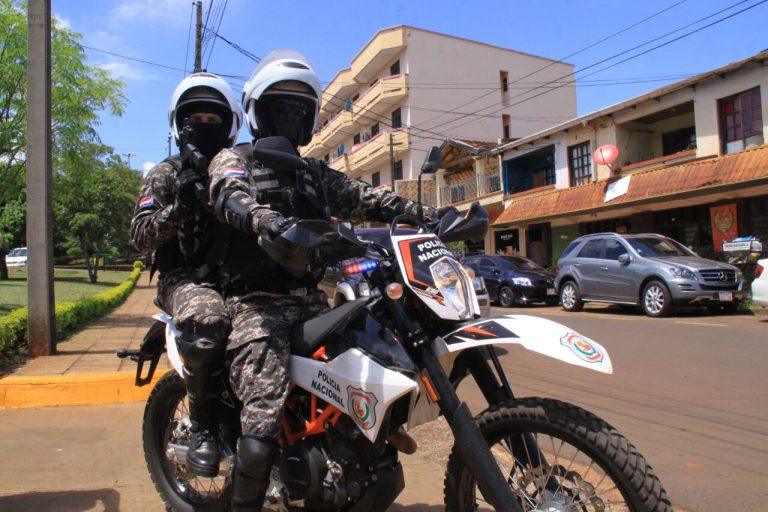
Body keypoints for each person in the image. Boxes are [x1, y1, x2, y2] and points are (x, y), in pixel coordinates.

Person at [204, 49, 442, 511]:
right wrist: (263, 220)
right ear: (256, 110)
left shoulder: (314, 173)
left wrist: (431, 215)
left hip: (312, 302)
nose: (291, 114)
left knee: (378, 361)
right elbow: (227, 193)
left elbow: (368, 196)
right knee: (261, 419)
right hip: (255, 306)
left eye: (300, 107)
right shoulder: (234, 159)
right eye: (280, 105)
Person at [129, 72, 242, 478]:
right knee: (209, 318)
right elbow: (139, 237)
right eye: (196, 120)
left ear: (229, 125)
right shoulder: (166, 173)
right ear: (180, 125)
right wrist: (180, 207)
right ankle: (205, 430)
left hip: (238, 277)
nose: (204, 127)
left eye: (214, 120)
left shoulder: (238, 169)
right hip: (185, 279)